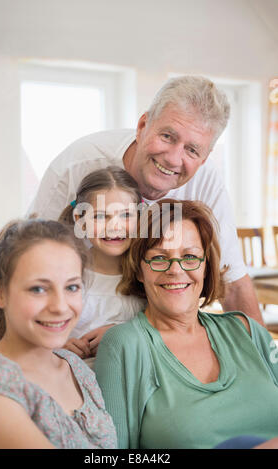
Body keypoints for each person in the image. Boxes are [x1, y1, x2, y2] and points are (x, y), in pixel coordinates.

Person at [27, 75, 262, 324]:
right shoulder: (76, 165)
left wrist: (264, 360)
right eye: (167, 136)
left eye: (192, 150)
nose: (173, 158)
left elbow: (232, 281)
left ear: (204, 158)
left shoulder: (206, 182)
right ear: (142, 126)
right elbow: (24, 263)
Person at [95, 199, 278, 449]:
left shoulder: (246, 330)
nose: (175, 270)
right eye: (159, 258)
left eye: (190, 256)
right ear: (139, 270)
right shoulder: (124, 345)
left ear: (206, 267)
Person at [0, 219, 117, 449]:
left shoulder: (75, 366)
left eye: (72, 287)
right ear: (0, 292)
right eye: (38, 289)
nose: (60, 306)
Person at [59, 166, 147, 365]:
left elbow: (168, 330)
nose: (114, 226)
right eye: (100, 216)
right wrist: (58, 346)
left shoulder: (148, 273)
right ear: (80, 220)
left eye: (126, 215)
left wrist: (122, 334)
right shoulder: (65, 275)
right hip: (70, 382)